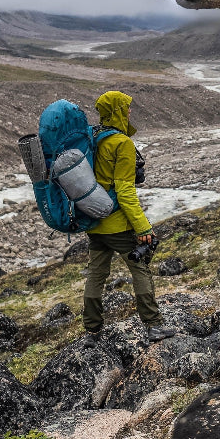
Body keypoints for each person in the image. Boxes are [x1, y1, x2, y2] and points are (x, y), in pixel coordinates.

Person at [83, 90, 174, 340]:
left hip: (93, 222)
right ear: (117, 111)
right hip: (117, 224)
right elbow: (125, 191)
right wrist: (143, 228)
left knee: (96, 275)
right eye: (126, 107)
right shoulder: (121, 143)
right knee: (140, 269)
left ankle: (92, 330)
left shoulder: (93, 138)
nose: (130, 111)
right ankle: (153, 324)